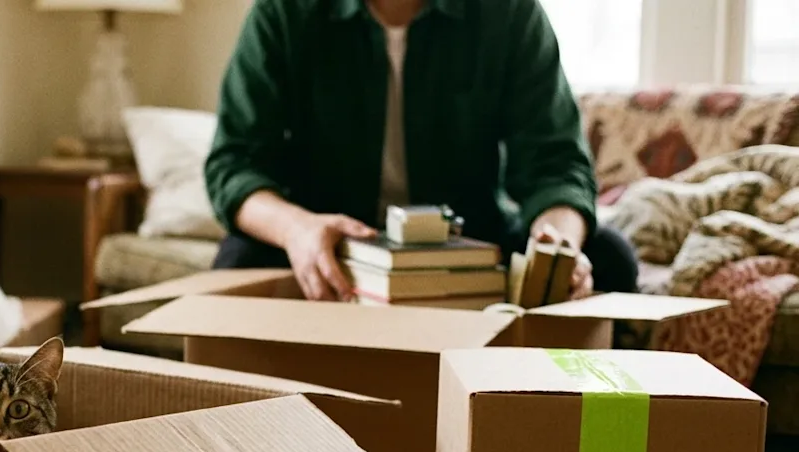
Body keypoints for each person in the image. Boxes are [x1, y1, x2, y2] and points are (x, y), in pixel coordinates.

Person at [204, 0, 639, 302]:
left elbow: (557, 164)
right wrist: (296, 230)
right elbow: (235, 163)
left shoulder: (510, 13)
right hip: (330, 241)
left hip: (471, 243)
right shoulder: (282, 12)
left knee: (609, 259)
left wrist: (558, 245)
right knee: (238, 265)